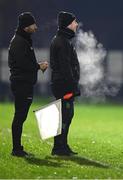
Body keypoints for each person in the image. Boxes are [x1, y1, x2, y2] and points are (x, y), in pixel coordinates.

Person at [8, 12, 48, 157]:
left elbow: (25, 63)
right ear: (26, 27)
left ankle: (17, 148)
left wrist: (37, 65)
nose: (36, 27)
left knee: (21, 116)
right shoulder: (19, 41)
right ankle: (16, 149)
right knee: (20, 116)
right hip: (21, 84)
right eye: (33, 24)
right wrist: (38, 67)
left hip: (24, 83)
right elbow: (23, 64)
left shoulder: (23, 40)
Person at [50, 11, 80, 156]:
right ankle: (59, 147)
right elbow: (65, 67)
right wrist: (73, 86)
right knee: (65, 115)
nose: (77, 24)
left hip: (63, 84)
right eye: (75, 22)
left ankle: (62, 146)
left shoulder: (62, 40)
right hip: (64, 85)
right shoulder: (61, 42)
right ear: (68, 24)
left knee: (65, 115)